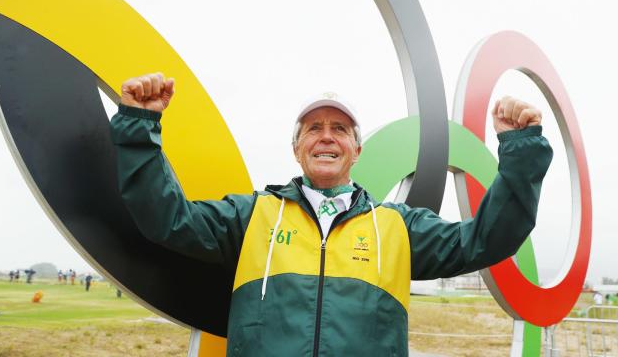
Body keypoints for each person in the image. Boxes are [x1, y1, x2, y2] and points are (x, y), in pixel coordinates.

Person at [110, 73, 552, 356]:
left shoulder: (397, 226)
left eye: (339, 129)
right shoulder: (253, 215)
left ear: (356, 150)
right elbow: (167, 218)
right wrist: (138, 124)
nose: (326, 138)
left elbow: (487, 239)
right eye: (314, 129)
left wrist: (521, 152)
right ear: (296, 148)